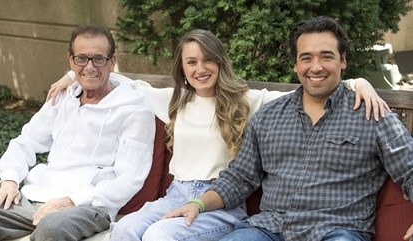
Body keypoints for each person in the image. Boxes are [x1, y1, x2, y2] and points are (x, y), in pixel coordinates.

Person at [48, 28, 389, 241]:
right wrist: (70, 73)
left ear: (220, 62)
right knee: (123, 230)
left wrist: (356, 82)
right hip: (174, 196)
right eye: (191, 62)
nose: (201, 69)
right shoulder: (172, 100)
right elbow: (112, 76)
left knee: (160, 236)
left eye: (208, 60)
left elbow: (309, 87)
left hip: (220, 204)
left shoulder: (247, 101)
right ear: (182, 68)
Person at [162, 16, 413, 241]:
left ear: (343, 61)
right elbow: (240, 178)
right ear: (295, 64)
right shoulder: (269, 116)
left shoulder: (373, 114)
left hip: (337, 230)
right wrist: (198, 204)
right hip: (268, 229)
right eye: (306, 58)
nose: (316, 67)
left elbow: (409, 168)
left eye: (326, 56)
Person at [0, 24, 155, 241]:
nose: (90, 67)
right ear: (71, 60)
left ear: (112, 61)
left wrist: (73, 200)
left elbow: (130, 179)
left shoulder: (135, 111)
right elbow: (25, 142)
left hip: (88, 205)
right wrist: (9, 180)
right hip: (35, 197)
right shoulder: (63, 98)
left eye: (99, 59)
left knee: (51, 228)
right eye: (81, 58)